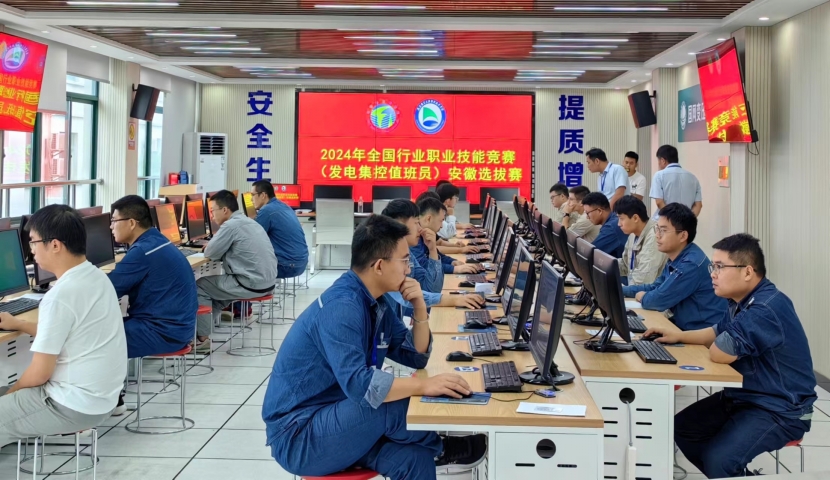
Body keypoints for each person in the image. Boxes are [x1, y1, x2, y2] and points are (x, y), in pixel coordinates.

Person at [262, 214, 487, 479]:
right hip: (299, 435)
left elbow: (415, 355)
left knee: (415, 459)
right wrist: (424, 386)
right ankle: (443, 447)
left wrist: (419, 307)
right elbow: (362, 386)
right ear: (379, 265)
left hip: (339, 419)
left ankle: (434, 451)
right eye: (404, 261)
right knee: (389, 404)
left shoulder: (376, 302)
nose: (409, 270)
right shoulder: (343, 307)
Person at [644, 234, 816, 478]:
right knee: (683, 429)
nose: (713, 274)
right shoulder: (741, 300)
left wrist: (717, 342)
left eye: (720, 267)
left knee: (720, 461)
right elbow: (716, 332)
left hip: (781, 409)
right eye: (713, 267)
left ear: (747, 272)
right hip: (746, 397)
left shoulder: (764, 308)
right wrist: (678, 335)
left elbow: (720, 353)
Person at [0, 205, 127, 447]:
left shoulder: (61, 295)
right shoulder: (96, 277)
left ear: (55, 245)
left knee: (8, 392)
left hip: (71, 405)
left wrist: (11, 395)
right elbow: (66, 334)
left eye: (33, 242)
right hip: (102, 398)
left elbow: (40, 373)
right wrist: (18, 324)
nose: (31, 250)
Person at [108, 195, 198, 415]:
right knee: (105, 329)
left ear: (131, 223)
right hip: (177, 327)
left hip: (164, 332)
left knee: (94, 339)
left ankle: (99, 404)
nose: (110, 227)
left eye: (114, 221)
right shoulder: (156, 241)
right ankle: (112, 398)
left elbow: (107, 290)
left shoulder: (142, 252)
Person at [194, 190, 278, 352]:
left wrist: (212, 245)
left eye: (212, 211)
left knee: (201, 286)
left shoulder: (230, 225)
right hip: (268, 283)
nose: (211, 215)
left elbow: (210, 253)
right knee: (217, 296)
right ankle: (201, 333)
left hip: (250, 283)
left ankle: (202, 338)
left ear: (225, 210)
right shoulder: (250, 222)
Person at [622, 203, 726, 331]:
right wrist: (622, 290)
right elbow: (656, 286)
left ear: (683, 236)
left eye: (663, 230)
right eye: (657, 229)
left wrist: (642, 296)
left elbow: (656, 301)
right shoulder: (676, 257)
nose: (657, 235)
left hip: (699, 334)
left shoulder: (690, 264)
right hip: (682, 328)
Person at [381, 199, 443, 294]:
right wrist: (445, 299)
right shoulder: (386, 258)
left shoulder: (408, 254)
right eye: (416, 222)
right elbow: (404, 298)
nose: (420, 229)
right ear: (399, 225)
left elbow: (431, 289)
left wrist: (432, 250)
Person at [250, 180, 309, 279]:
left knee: (241, 262)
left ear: (263, 195)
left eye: (253, 195)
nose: (251, 199)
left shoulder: (267, 210)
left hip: (287, 266)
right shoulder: (284, 206)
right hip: (301, 263)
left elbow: (252, 238)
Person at [614, 195, 666, 286]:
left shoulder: (654, 236)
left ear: (635, 218)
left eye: (621, 219)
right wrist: (605, 265)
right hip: (635, 288)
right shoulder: (633, 234)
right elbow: (625, 265)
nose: (619, 224)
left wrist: (621, 290)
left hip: (649, 291)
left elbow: (643, 281)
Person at [650, 144, 703, 218]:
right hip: (685, 222)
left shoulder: (659, 175)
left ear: (663, 160)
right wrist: (688, 220)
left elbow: (659, 202)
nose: (658, 164)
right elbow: (698, 205)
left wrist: (672, 219)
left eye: (658, 161)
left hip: (664, 221)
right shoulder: (693, 178)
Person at [581, 192, 628, 258]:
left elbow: (590, 253)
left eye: (587, 213)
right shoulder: (613, 219)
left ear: (599, 211)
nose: (587, 217)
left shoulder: (611, 227)